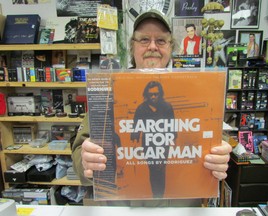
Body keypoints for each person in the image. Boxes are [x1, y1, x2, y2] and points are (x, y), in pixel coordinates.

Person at [72, 9, 232, 207]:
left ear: (171, 47)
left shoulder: (195, 85)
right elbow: (80, 151)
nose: (153, 47)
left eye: (161, 41)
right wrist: (87, 163)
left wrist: (220, 153)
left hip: (180, 207)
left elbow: (218, 137)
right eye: (144, 40)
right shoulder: (108, 89)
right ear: (133, 47)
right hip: (126, 207)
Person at [130, 81, 176, 198]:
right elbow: (135, 129)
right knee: (153, 169)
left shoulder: (167, 107)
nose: (154, 97)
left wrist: (172, 140)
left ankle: (159, 195)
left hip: (164, 144)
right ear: (146, 94)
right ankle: (156, 195)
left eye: (156, 94)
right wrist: (134, 141)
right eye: (151, 94)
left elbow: (173, 127)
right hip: (148, 144)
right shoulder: (141, 109)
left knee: (161, 168)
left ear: (160, 94)